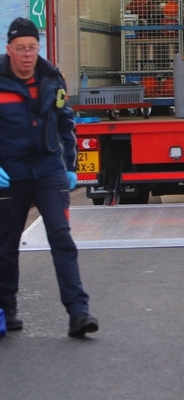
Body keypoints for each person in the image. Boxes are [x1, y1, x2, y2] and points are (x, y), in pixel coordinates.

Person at [0, 18, 99, 338]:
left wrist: (70, 165)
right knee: (5, 245)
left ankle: (78, 312)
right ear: (9, 49)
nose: (27, 54)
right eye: (21, 48)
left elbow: (65, 125)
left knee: (61, 236)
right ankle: (7, 309)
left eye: (32, 47)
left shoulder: (52, 79)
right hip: (10, 174)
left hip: (48, 171)